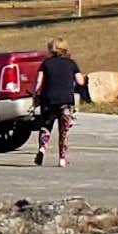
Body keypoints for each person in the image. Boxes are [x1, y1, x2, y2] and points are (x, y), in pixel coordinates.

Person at [34, 39, 84, 167]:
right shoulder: (71, 63)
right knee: (64, 130)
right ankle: (62, 158)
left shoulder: (46, 63)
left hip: (48, 99)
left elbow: (38, 83)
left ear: (51, 49)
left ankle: (42, 148)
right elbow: (80, 81)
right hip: (66, 100)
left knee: (46, 126)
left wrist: (35, 96)